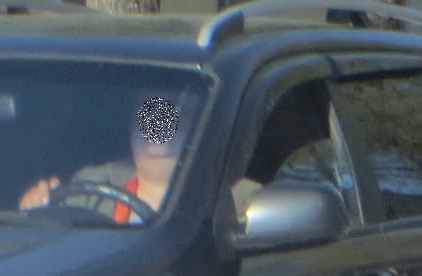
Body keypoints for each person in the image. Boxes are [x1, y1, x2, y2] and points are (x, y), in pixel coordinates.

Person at [19, 91, 257, 222]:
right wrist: (34, 206)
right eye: (148, 122)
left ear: (199, 127)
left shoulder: (242, 198)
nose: (157, 138)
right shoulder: (88, 190)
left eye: (169, 121)